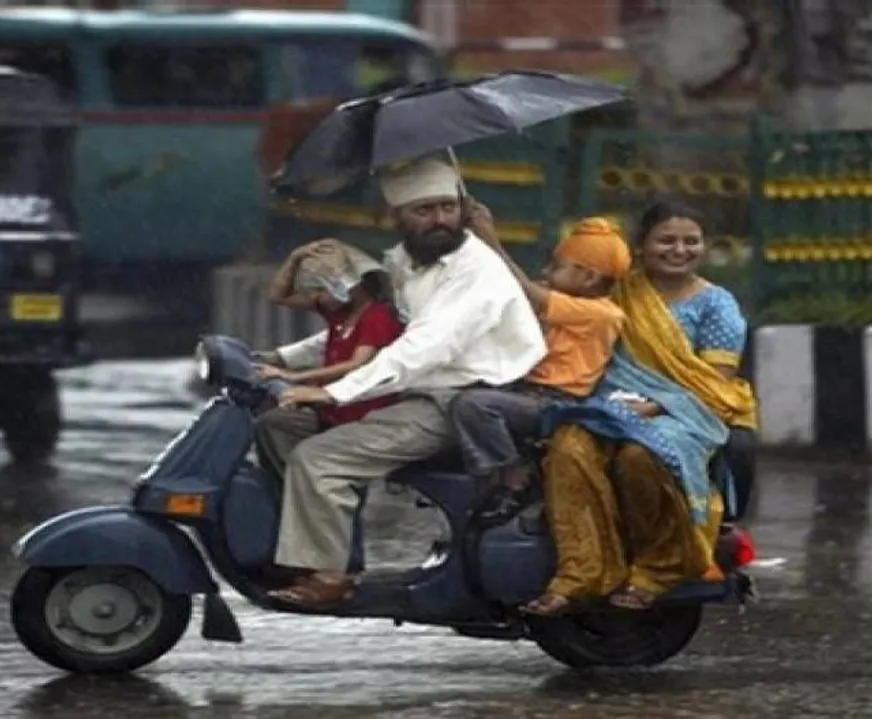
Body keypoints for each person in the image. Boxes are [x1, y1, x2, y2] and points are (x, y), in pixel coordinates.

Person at [257, 154, 548, 608]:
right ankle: (326, 552)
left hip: (460, 401)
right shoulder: (402, 265)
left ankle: (330, 577)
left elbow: (427, 346)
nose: (439, 220)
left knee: (319, 457)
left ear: (462, 207)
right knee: (280, 426)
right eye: (424, 210)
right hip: (411, 392)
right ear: (397, 216)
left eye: (447, 208)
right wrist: (280, 359)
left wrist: (334, 390)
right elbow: (367, 326)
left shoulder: (477, 272)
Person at [524, 200, 759, 616]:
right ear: (641, 246)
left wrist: (655, 406)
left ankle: (656, 571)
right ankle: (580, 574)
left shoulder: (717, 304)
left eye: (691, 241)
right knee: (569, 447)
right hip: (607, 404)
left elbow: (712, 383)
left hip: (688, 412)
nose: (679, 250)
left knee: (640, 457)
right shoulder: (618, 291)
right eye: (666, 240)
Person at [450, 210, 630, 526]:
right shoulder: (568, 303)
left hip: (555, 402)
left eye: (557, 267)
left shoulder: (601, 314)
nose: (548, 272)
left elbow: (524, 291)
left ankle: (512, 476)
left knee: (473, 406)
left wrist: (489, 238)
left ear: (588, 277)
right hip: (527, 393)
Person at [252, 240, 404, 480]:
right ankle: (282, 489)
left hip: (360, 413)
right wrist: (295, 257)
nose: (317, 297)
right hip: (331, 410)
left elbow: (357, 363)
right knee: (272, 423)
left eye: (322, 289)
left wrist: (292, 376)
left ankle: (299, 489)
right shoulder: (339, 313)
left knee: (290, 436)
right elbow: (278, 296)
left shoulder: (377, 316)